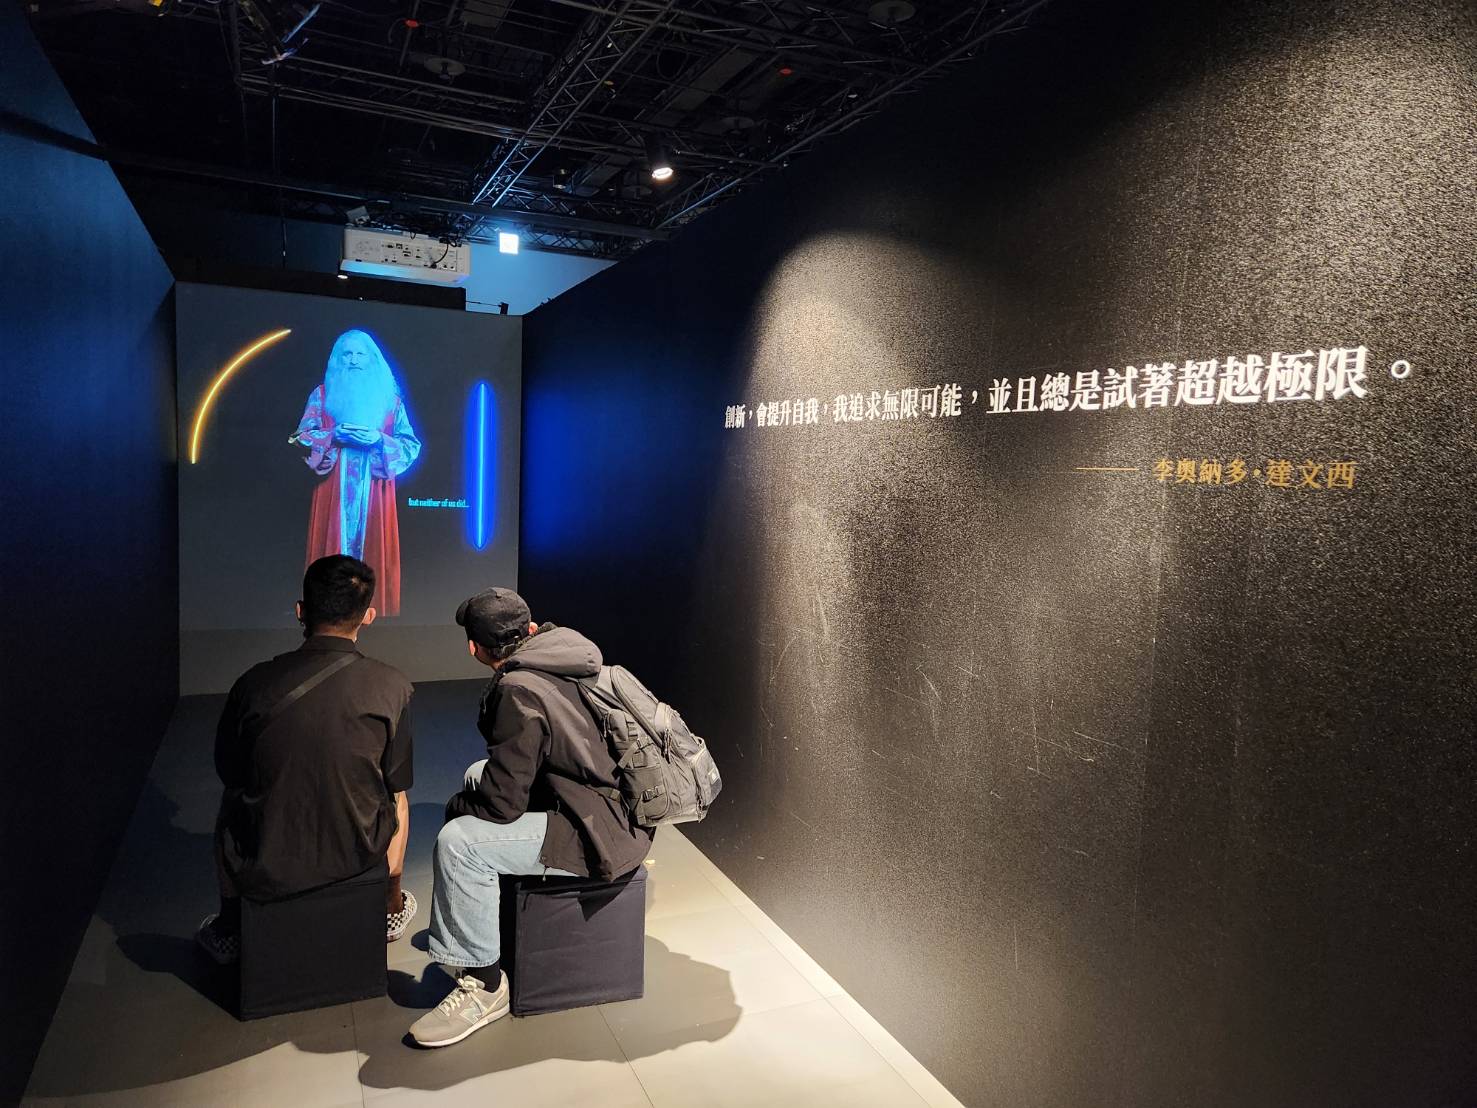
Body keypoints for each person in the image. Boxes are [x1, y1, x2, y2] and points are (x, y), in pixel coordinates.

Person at [408, 587, 654, 1048]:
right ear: (532, 629)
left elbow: (503, 804)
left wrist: (457, 810)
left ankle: (485, 987)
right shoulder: (567, 656)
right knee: (476, 773)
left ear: (474, 649)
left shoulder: (518, 689)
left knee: (458, 843)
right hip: (612, 806)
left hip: (596, 834)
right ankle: (483, 919)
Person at [196, 555, 417, 964]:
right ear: (368, 616)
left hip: (266, 858)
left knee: (230, 802)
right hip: (358, 853)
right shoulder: (393, 686)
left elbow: (229, 770)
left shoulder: (252, 684)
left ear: (300, 611)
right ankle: (390, 904)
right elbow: (396, 777)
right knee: (398, 797)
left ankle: (230, 926)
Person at [291, 330, 420, 617]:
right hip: (332, 490)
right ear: (337, 358)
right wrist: (333, 435)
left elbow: (410, 446)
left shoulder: (390, 401)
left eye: (360, 354)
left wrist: (378, 440)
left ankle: (374, 617)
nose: (353, 360)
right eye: (347, 354)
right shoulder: (322, 395)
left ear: (372, 359)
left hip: (375, 493)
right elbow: (301, 437)